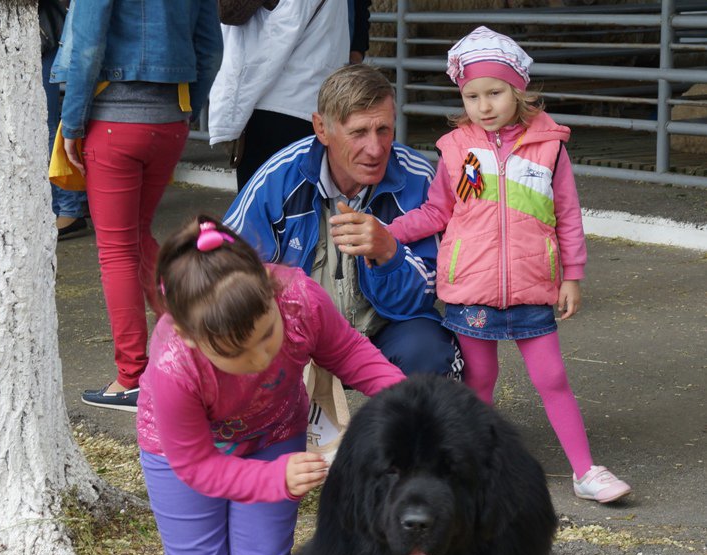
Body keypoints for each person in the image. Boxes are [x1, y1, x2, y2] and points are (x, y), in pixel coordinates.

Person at [137, 217, 405, 555]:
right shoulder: (172, 365)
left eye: (267, 336)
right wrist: (275, 480)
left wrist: (411, 403)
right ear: (191, 337)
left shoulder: (300, 299)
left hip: (273, 436)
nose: (261, 359)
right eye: (238, 353)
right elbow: (197, 467)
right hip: (182, 457)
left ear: (270, 294)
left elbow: (350, 354)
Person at [384, 26, 631, 504]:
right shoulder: (457, 149)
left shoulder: (550, 147)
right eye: (472, 95)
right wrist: (386, 231)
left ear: (518, 90)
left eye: (495, 93)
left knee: (552, 378)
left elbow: (567, 216)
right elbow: (437, 213)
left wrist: (573, 276)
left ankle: (585, 471)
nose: (484, 105)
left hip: (533, 287)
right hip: (471, 289)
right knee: (479, 381)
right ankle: (472, 473)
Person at [223, 64, 463, 381]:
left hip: (385, 330)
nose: (375, 149)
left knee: (430, 351)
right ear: (322, 129)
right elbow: (224, 270)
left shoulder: (418, 177)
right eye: (358, 132)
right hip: (294, 335)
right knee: (236, 349)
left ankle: (413, 414)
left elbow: (430, 292)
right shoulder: (279, 177)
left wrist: (389, 253)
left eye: (384, 130)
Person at [50, 0, 223, 411]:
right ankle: (196, 349)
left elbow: (88, 44)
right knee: (138, 238)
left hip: (113, 118)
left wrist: (72, 122)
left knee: (116, 251)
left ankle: (132, 378)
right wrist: (185, 111)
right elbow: (211, 49)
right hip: (170, 119)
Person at [208, 0, 349, 191]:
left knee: (260, 205)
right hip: (312, 102)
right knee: (299, 203)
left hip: (273, 106)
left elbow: (230, 10)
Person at [40, 0, 89, 239]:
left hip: (42, 34)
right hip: (43, 34)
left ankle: (69, 208)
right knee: (47, 124)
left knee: (46, 126)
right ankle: (73, 203)